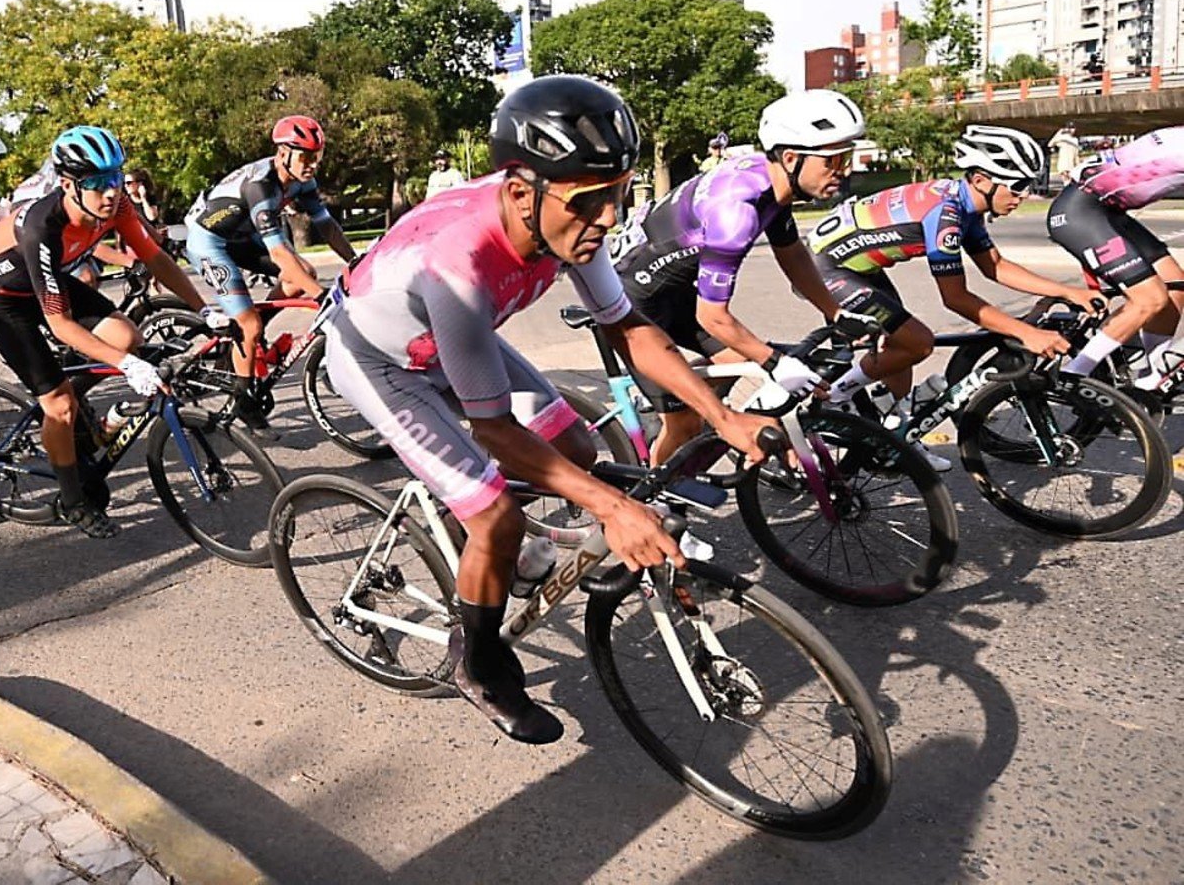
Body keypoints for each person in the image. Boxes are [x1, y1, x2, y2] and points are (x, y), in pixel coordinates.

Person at [323, 75, 775, 745]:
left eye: (619, 195)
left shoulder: (566, 222)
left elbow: (629, 327)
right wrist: (612, 509)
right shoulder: (459, 260)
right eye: (591, 200)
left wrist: (719, 413)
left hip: (454, 343)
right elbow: (495, 429)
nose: (610, 218)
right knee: (496, 514)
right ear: (517, 192)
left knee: (578, 452)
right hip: (383, 361)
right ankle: (476, 662)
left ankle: (519, 552)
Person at [808, 124, 1102, 468]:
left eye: (1031, 185)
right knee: (917, 342)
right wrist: (1027, 332)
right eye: (1018, 185)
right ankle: (835, 396)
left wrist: (1065, 290)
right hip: (825, 269)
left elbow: (995, 267)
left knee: (899, 347)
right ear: (981, 180)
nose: (1024, 195)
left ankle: (899, 437)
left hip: (857, 269)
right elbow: (956, 298)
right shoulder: (945, 214)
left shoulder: (966, 207)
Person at [0, 125, 212, 540]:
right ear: (68, 185)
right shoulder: (41, 226)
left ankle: (78, 410)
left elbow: (153, 258)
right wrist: (125, 367)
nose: (111, 191)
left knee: (126, 336)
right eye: (97, 183)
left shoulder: (114, 206)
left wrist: (204, 308)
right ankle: (72, 499)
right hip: (3, 297)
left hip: (46, 282)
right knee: (60, 405)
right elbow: (60, 324)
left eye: (116, 178)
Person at [609, 91, 858, 464]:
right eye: (835, 160)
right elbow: (714, 317)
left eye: (848, 157)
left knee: (737, 364)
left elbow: (793, 256)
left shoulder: (771, 186)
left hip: (671, 291)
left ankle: (684, 393)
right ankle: (655, 502)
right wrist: (776, 362)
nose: (846, 170)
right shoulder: (736, 214)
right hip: (633, 300)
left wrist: (837, 313)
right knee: (686, 422)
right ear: (791, 157)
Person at [184, 115, 356, 432]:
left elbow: (327, 226)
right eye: (305, 156)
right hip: (210, 241)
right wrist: (321, 297)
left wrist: (355, 261)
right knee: (248, 322)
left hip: (241, 236)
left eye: (316, 157)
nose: (311, 165)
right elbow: (278, 253)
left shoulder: (303, 181)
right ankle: (242, 396)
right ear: (282, 153)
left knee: (302, 272)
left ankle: (251, 334)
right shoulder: (260, 186)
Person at [1048, 126, 1184, 389]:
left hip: (1108, 212)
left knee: (1176, 285)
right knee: (1150, 299)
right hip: (1080, 212)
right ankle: (1072, 378)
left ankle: (1151, 381)